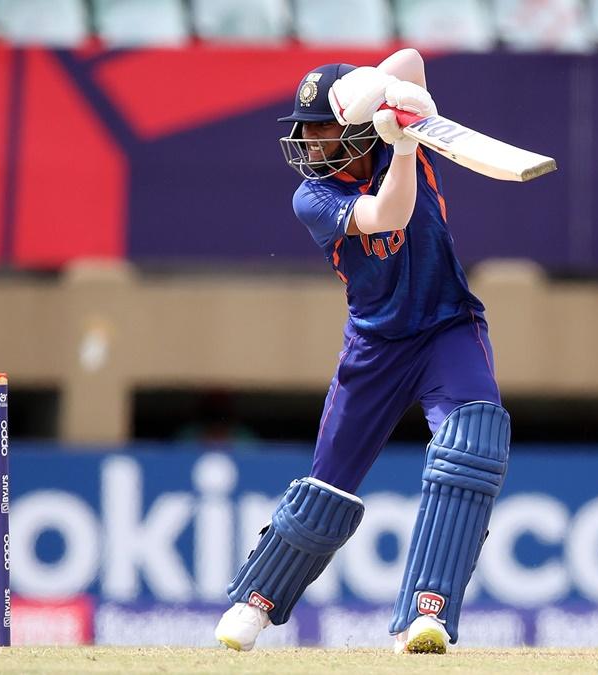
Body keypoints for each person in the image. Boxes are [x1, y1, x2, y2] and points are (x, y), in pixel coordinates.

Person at [214, 48, 511, 654]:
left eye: (323, 127)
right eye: (305, 129)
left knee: (473, 446)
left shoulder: (386, 136)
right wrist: (404, 144)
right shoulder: (312, 198)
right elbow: (388, 213)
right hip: (375, 344)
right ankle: (257, 599)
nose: (310, 142)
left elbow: (411, 60)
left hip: (446, 328)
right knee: (329, 484)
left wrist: (389, 102)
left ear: (352, 125)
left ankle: (424, 615)